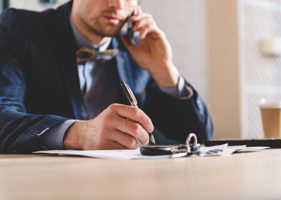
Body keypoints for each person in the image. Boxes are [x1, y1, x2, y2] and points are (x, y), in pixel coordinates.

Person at [0, 0, 213, 153]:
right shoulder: (19, 28)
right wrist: (78, 134)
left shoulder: (136, 49)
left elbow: (198, 135)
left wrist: (165, 70)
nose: (118, 5)